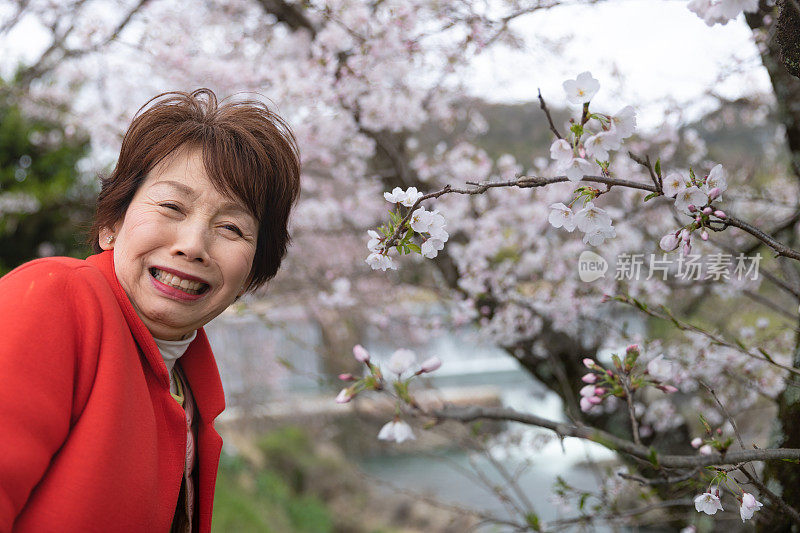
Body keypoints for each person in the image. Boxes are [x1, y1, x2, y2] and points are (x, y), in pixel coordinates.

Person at [0, 89, 301, 532]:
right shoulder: (55, 299)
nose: (193, 245)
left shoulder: (187, 380)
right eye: (171, 207)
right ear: (112, 223)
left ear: (254, 271)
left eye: (231, 227)